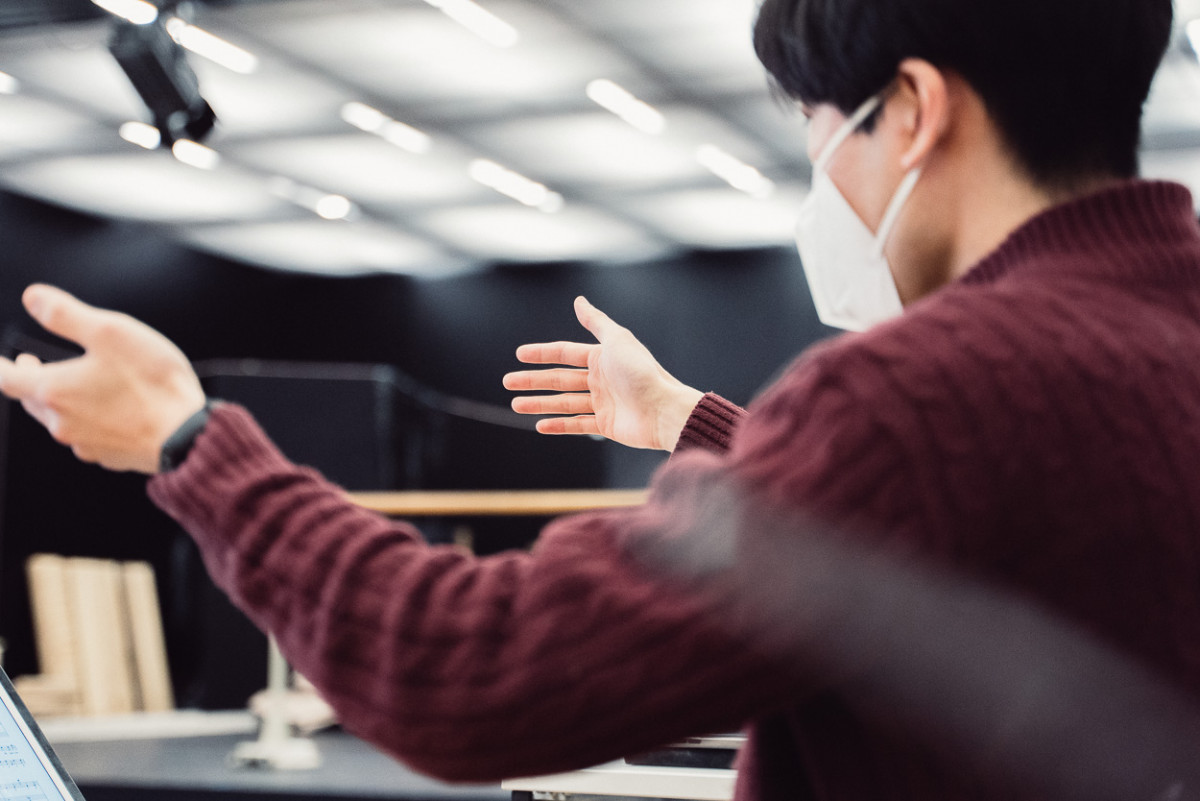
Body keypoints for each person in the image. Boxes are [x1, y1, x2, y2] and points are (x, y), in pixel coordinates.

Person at [0, 0, 1197, 797]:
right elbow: (947, 551)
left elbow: (470, 671)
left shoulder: (922, 398)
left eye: (819, 133)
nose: (820, 178)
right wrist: (695, 422)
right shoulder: (1166, 335)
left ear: (917, 111)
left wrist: (192, 442)